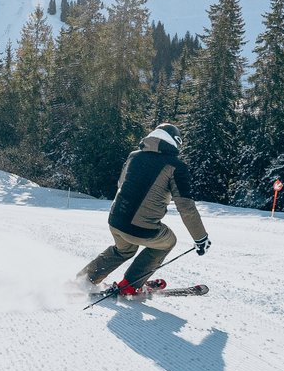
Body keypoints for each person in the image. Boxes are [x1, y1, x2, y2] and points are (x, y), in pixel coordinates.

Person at [77, 123, 211, 296]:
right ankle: (130, 285)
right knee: (168, 241)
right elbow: (186, 206)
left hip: (115, 220)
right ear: (176, 142)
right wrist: (200, 237)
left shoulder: (134, 156)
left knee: (123, 250)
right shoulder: (176, 166)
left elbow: (121, 184)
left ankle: (84, 279)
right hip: (141, 228)